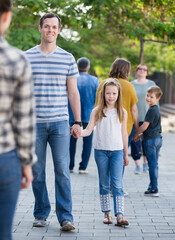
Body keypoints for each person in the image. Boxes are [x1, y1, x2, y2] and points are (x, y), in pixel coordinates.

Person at [25, 13, 81, 231]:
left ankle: (66, 217)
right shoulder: (26, 57)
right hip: (34, 124)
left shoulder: (67, 58)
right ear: (40, 28)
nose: (50, 30)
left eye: (54, 27)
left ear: (59, 30)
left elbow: (73, 93)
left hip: (60, 123)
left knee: (62, 171)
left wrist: (78, 121)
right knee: (37, 172)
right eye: (46, 26)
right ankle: (41, 213)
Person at [0, 0, 36, 239]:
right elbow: (22, 121)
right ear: (6, 17)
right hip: (4, 159)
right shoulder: (16, 60)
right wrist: (26, 163)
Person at [76, 78, 129, 226]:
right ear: (103, 94)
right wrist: (78, 133)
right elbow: (88, 130)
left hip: (117, 151)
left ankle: (120, 215)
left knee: (117, 184)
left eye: (114, 93)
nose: (111, 96)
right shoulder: (97, 111)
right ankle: (107, 214)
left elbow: (124, 133)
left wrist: (125, 153)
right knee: (104, 183)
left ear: (118, 94)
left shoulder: (122, 112)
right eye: (108, 93)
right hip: (101, 151)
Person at [95, 58, 138, 197]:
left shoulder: (103, 83)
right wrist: (137, 128)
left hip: (105, 127)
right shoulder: (129, 86)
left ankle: (107, 187)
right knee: (120, 157)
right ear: (126, 70)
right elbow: (134, 109)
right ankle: (116, 186)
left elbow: (97, 106)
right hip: (125, 127)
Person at [69, 57, 99, 174]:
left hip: (72, 115)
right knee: (87, 143)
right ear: (88, 67)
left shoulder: (72, 79)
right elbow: (98, 99)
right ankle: (83, 167)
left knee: (71, 143)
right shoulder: (95, 80)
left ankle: (70, 166)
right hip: (88, 116)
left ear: (77, 66)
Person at [133, 86, 163, 197]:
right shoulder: (155, 109)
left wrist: (136, 133)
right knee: (154, 164)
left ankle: (154, 189)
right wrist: (140, 135)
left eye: (151, 97)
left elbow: (145, 126)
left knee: (152, 165)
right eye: (147, 96)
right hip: (157, 139)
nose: (148, 98)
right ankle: (152, 186)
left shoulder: (152, 110)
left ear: (157, 99)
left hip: (151, 141)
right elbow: (151, 127)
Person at [131, 64, 155, 175]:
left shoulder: (151, 84)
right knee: (135, 141)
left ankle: (145, 163)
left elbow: (156, 102)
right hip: (134, 118)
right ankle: (137, 165)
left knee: (147, 142)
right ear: (136, 71)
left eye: (144, 69)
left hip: (148, 118)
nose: (142, 71)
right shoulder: (131, 84)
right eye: (139, 69)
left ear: (147, 72)